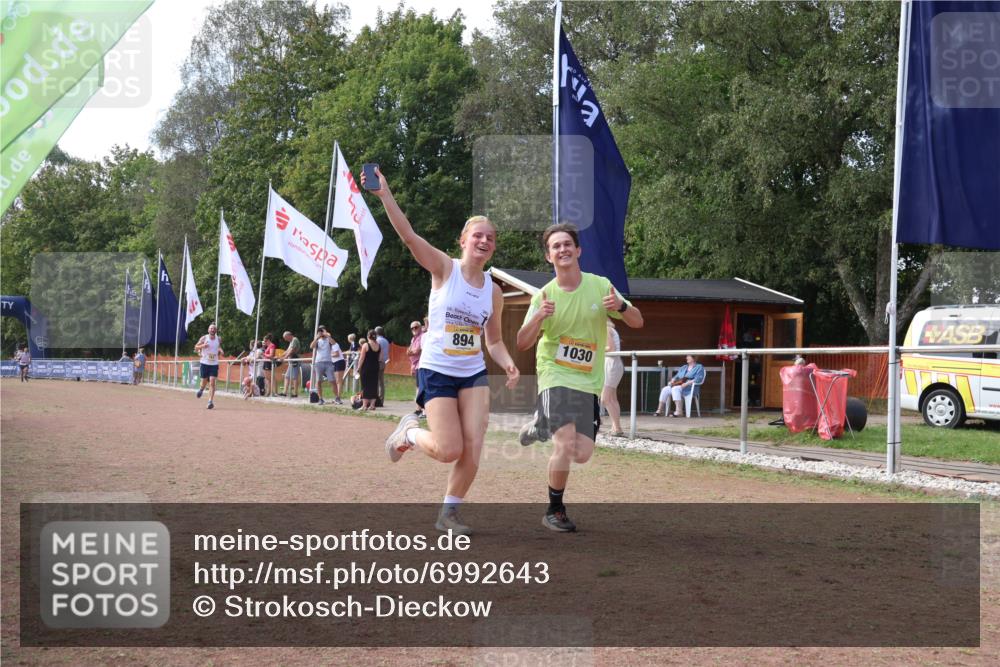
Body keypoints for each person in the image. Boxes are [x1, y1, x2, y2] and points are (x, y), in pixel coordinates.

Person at [364, 166, 519, 536]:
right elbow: (408, 236)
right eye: (478, 235)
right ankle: (408, 434)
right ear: (463, 240)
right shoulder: (444, 268)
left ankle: (449, 513)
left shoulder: (494, 292)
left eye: (491, 238)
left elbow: (493, 340)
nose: (484, 241)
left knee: (474, 445)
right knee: (449, 449)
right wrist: (385, 195)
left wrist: (508, 363)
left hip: (473, 373)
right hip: (437, 369)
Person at [517, 223, 643, 532]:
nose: (562, 249)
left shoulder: (600, 286)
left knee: (582, 454)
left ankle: (540, 423)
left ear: (578, 250)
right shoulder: (544, 296)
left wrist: (621, 306)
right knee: (564, 443)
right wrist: (538, 316)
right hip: (555, 373)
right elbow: (522, 342)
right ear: (548, 256)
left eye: (567, 244)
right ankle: (554, 509)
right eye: (556, 246)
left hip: (588, 380)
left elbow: (637, 321)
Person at [601, 321, 625, 436]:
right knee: (612, 398)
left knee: (605, 398)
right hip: (612, 363)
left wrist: (596, 348)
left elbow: (610, 348)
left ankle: (617, 427)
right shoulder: (608, 329)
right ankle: (615, 427)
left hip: (611, 364)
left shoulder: (606, 329)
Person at [194, 322, 225, 410]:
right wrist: (203, 345)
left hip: (214, 364)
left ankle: (210, 401)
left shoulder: (219, 339)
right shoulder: (204, 338)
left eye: (214, 328)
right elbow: (196, 347)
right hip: (204, 363)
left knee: (212, 382)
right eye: (211, 328)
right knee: (204, 381)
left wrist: (221, 350)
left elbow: (218, 346)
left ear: (216, 330)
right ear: (208, 330)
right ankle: (201, 389)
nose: (212, 330)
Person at [310, 326, 335, 405]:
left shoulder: (328, 339)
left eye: (322, 331)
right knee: (318, 381)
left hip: (328, 362)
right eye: (320, 331)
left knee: (332, 380)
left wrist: (327, 335)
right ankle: (320, 399)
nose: (321, 333)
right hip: (319, 362)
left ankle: (337, 397)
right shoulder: (318, 340)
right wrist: (317, 337)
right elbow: (311, 346)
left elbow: (334, 343)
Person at [357, 330, 381, 410]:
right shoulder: (379, 345)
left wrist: (358, 367)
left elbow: (362, 358)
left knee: (365, 385)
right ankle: (372, 405)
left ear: (368, 336)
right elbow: (380, 357)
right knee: (374, 385)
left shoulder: (365, 345)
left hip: (366, 367)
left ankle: (364, 405)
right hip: (375, 367)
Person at [406, 320, 424, 417]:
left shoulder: (422, 336)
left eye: (416, 327)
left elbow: (417, 351)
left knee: (420, 387)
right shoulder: (413, 339)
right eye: (412, 328)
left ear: (420, 327)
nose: (414, 329)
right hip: (416, 365)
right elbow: (409, 351)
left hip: (421, 364)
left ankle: (420, 409)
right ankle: (419, 408)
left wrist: (411, 352)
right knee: (418, 386)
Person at [281, 331, 301, 398]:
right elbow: (287, 351)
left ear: (289, 335)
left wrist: (284, 357)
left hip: (295, 360)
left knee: (294, 377)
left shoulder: (294, 339)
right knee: (287, 376)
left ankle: (295, 393)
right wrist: (280, 356)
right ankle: (284, 392)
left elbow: (291, 350)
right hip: (291, 361)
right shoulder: (291, 342)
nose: (285, 340)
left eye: (286, 338)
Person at [375, 325, 390, 406]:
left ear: (376, 332)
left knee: (376, 382)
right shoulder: (386, 341)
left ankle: (376, 400)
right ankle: (381, 400)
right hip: (383, 362)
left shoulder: (377, 341)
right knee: (381, 382)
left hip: (377, 362)